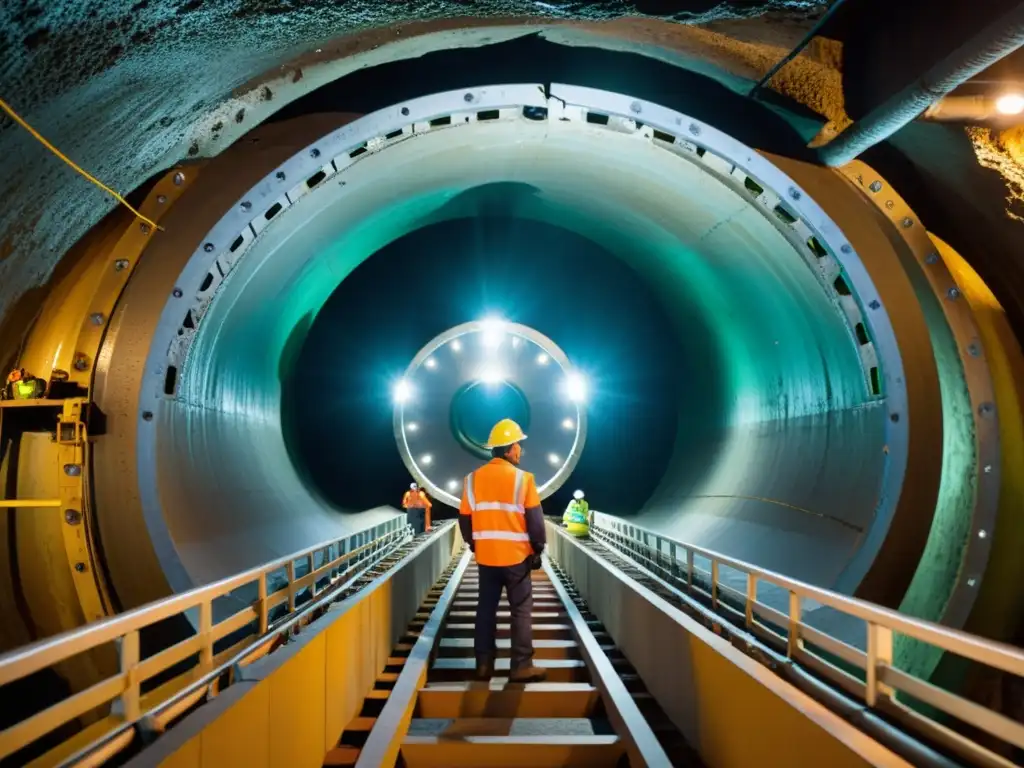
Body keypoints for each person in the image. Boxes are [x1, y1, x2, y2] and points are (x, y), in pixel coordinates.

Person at [459, 418, 547, 683]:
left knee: (485, 608)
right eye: (518, 444)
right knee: (520, 609)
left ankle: (484, 665)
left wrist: (475, 545)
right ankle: (521, 666)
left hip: (487, 559)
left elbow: (465, 519)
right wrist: (537, 549)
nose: (520, 449)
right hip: (517, 559)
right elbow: (535, 521)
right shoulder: (524, 479)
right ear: (509, 449)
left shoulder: (472, 480)